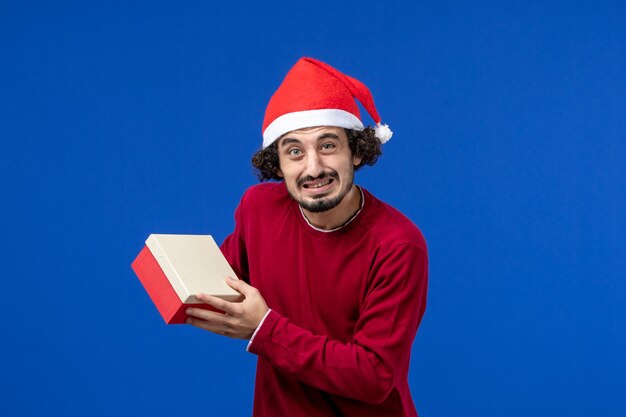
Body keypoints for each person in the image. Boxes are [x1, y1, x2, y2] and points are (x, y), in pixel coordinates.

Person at [185, 57, 428, 417]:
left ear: (357, 151)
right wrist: (172, 269)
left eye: (328, 145)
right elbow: (218, 283)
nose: (313, 168)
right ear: (277, 163)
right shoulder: (258, 209)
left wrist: (265, 328)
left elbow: (374, 376)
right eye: (295, 151)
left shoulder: (398, 244)